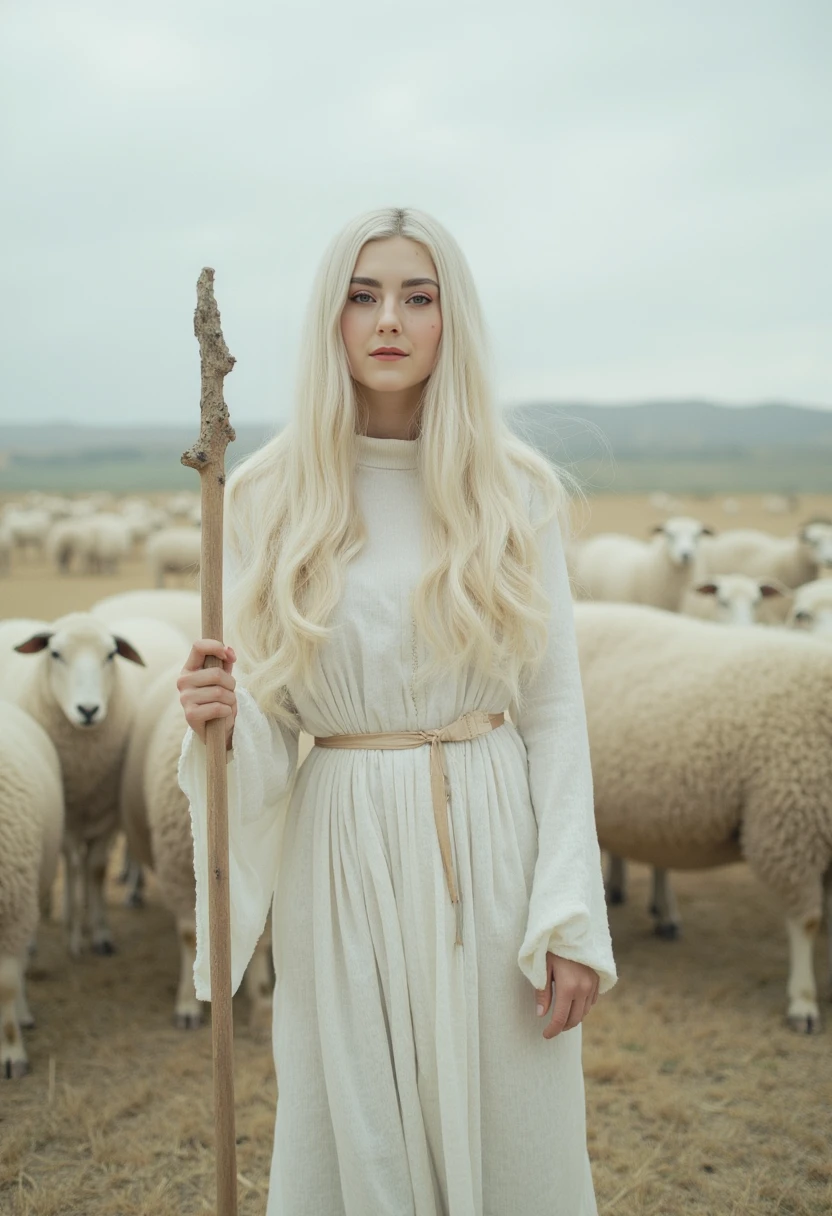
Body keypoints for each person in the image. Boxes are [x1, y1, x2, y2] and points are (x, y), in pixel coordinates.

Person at [177, 206, 617, 1216]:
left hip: (490, 841)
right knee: (354, 1125)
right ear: (331, 320)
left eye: (417, 297)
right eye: (363, 295)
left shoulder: (514, 490)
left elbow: (552, 710)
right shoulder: (263, 498)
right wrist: (221, 713)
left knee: (510, 1127)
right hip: (337, 852)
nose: (389, 319)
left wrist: (567, 909)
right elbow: (269, 719)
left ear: (448, 320)